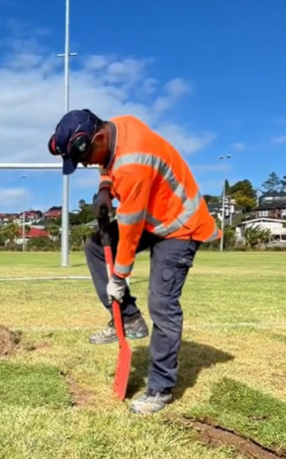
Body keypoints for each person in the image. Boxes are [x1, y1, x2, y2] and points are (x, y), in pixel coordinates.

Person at [48, 108, 221, 414]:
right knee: (96, 247)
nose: (86, 163)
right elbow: (107, 163)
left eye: (86, 156)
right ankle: (129, 318)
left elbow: (130, 226)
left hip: (180, 228)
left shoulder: (133, 163)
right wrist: (104, 189)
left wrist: (118, 277)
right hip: (154, 219)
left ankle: (160, 389)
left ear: (99, 136)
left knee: (162, 304)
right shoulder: (117, 129)